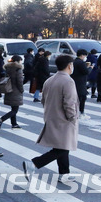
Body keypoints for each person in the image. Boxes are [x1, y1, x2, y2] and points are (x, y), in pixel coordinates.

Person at [23, 55, 79, 183]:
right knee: (62, 148)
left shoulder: (50, 80)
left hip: (51, 117)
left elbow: (43, 100)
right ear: (69, 65)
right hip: (64, 119)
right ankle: (34, 164)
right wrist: (73, 118)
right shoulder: (68, 81)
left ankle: (64, 173)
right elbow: (69, 103)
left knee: (63, 145)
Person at [0, 55, 24, 129]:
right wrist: (21, 90)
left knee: (13, 108)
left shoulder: (8, 68)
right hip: (16, 91)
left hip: (9, 89)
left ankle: (14, 123)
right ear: (18, 61)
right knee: (15, 110)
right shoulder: (18, 69)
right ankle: (1, 119)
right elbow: (19, 81)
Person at [71, 49, 91, 119]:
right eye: (85, 55)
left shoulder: (74, 62)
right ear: (82, 55)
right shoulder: (81, 63)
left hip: (75, 81)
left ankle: (77, 112)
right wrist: (89, 68)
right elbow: (85, 72)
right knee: (82, 98)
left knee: (77, 98)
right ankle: (80, 113)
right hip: (81, 82)